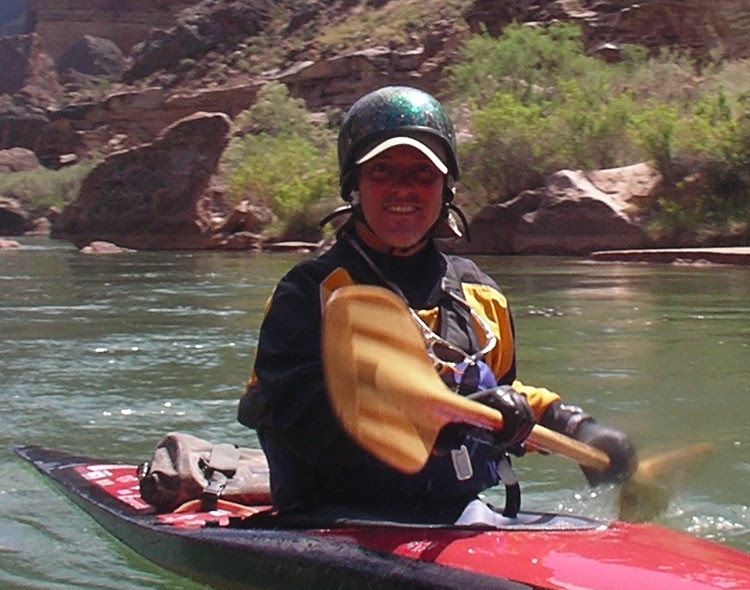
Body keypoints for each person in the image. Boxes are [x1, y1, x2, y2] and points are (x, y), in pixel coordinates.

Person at [238, 85, 635, 519]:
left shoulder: (480, 296)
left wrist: (575, 427)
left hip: (456, 514)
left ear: (445, 188)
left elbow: (498, 392)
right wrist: (436, 421)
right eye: (382, 171)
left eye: (423, 174)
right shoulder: (309, 292)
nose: (403, 189)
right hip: (331, 515)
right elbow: (296, 412)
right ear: (354, 185)